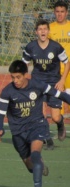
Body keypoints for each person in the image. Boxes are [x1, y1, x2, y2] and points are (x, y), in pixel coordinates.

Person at [0, 60, 70, 187]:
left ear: (25, 75)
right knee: (31, 166)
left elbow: (58, 94)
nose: (15, 80)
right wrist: (0, 128)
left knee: (36, 155)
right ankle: (39, 167)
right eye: (13, 77)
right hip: (18, 132)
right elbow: (0, 113)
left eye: (18, 77)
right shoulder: (7, 91)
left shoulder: (37, 85)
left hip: (37, 126)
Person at [22, 19, 70, 150]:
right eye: (40, 29)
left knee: (55, 116)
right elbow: (24, 65)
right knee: (40, 114)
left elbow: (67, 63)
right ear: (36, 32)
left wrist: (61, 81)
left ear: (48, 31)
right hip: (37, 83)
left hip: (54, 84)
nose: (42, 31)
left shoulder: (56, 47)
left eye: (45, 29)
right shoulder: (30, 47)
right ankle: (48, 139)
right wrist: (24, 79)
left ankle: (60, 124)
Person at [49, 1, 70, 123]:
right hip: (56, 71)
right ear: (54, 13)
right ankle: (60, 126)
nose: (60, 14)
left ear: (66, 13)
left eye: (62, 12)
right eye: (57, 12)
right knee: (58, 105)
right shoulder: (50, 28)